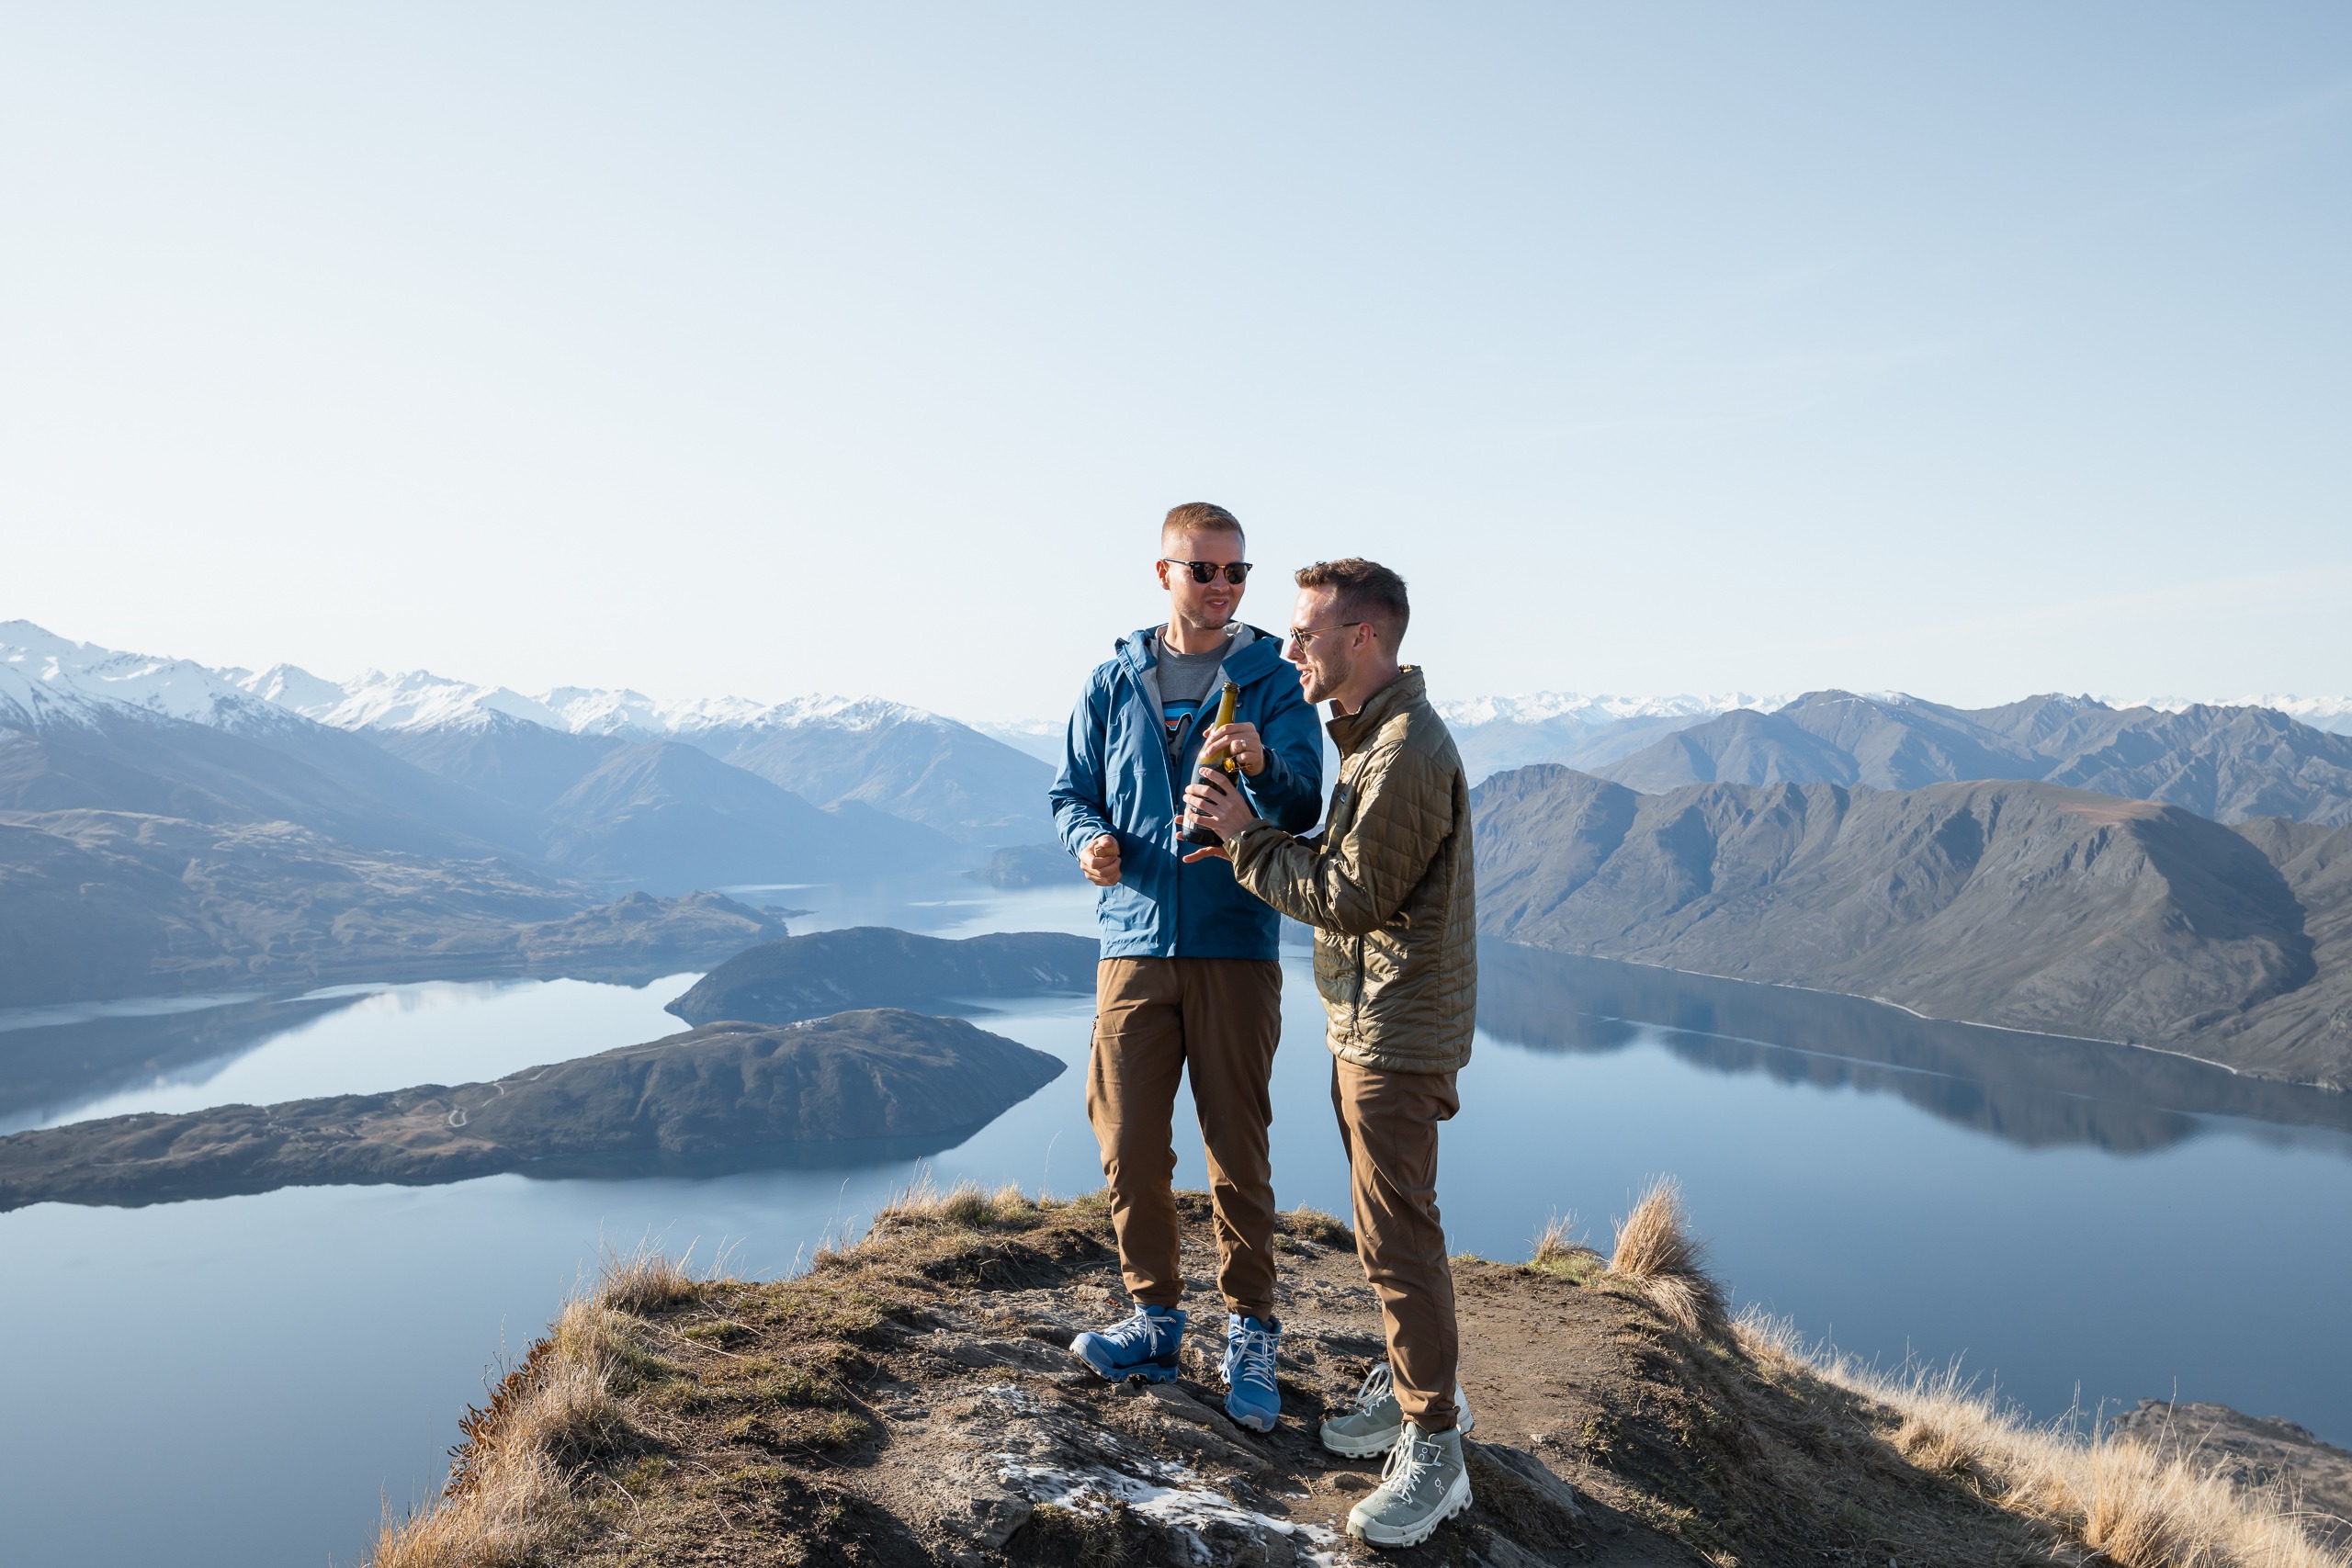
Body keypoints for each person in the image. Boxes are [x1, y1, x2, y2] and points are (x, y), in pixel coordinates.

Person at [1180, 557, 1477, 1551]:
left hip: (1395, 1033)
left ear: (1362, 639)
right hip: (1374, 1023)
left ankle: (1437, 1449)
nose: (1288, 647)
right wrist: (1262, 793)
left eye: (1304, 631)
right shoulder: (1372, 739)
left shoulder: (1399, 755)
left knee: (1397, 1239)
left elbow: (1345, 897)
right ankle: (1410, 1397)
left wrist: (1241, 835)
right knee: (1388, 1232)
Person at [1050, 502, 1326, 1433]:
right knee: (1128, 1143)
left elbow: (1305, 798)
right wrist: (1087, 838)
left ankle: (1250, 1328)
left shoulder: (1272, 681)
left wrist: (1263, 767)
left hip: (1234, 943)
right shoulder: (1111, 680)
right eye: (1203, 570)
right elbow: (1069, 791)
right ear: (1162, 573)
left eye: (1236, 572)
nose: (1222, 587)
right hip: (1130, 941)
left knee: (1234, 1152)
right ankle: (1155, 1319)